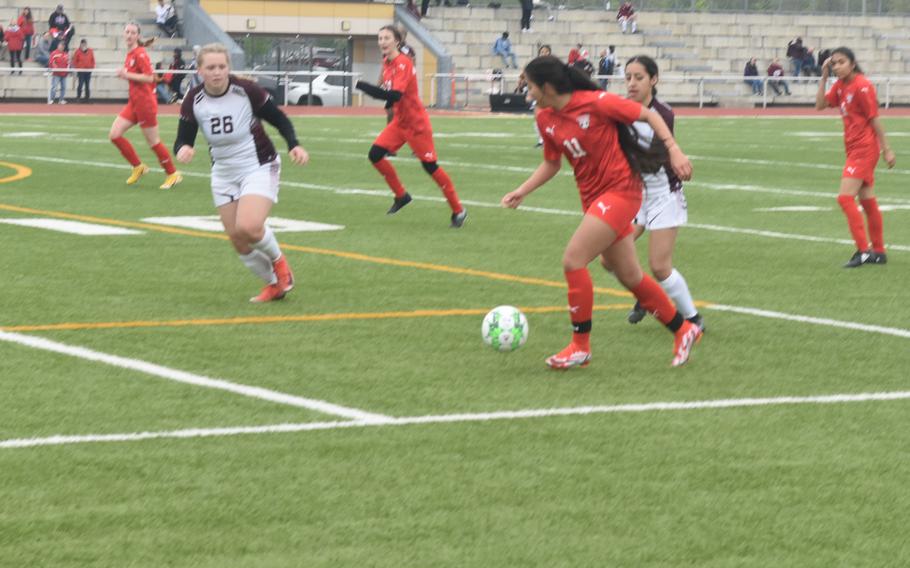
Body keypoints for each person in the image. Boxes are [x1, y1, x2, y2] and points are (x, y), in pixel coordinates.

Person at [500, 56, 702, 369]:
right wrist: (522, 191)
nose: (525, 90)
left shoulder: (596, 103)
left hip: (622, 191)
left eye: (529, 84)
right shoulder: (544, 117)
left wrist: (674, 149)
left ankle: (580, 346)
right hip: (593, 197)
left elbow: (648, 115)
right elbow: (552, 163)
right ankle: (684, 328)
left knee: (573, 260)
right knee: (629, 275)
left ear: (548, 86)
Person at [174, 43, 309, 303]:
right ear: (200, 70)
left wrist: (294, 144)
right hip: (223, 173)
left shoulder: (246, 91)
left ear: (229, 68)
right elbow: (183, 139)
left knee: (248, 226)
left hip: (258, 164)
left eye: (222, 66)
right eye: (210, 67)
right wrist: (184, 149)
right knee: (238, 240)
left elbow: (279, 118)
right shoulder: (194, 99)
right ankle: (273, 285)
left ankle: (281, 266)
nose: (217, 72)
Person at [604, 55, 702, 330]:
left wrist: (676, 157)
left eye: (639, 77)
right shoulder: (620, 110)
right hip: (634, 196)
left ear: (654, 80)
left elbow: (652, 157)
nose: (632, 83)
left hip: (663, 194)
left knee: (659, 266)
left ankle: (693, 319)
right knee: (607, 259)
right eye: (628, 78)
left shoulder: (663, 114)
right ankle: (647, 295)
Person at [356, 25, 467, 228]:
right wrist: (387, 102)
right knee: (375, 154)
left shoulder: (403, 63)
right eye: (380, 38)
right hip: (400, 122)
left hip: (416, 124)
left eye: (386, 38)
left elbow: (396, 94)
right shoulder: (387, 62)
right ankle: (401, 195)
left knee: (430, 167)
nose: (382, 42)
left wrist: (364, 87)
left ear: (397, 41)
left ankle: (458, 210)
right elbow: (393, 96)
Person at [815, 46, 896, 268]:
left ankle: (863, 250)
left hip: (864, 149)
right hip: (853, 148)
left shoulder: (862, 86)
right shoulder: (840, 86)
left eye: (841, 62)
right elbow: (820, 105)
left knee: (844, 198)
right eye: (834, 64)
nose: (837, 67)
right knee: (868, 200)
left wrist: (886, 149)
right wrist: (823, 77)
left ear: (852, 63)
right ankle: (878, 251)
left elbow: (874, 119)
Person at [108, 22, 182, 190]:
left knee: (153, 142)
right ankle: (138, 167)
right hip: (134, 103)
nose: (129, 35)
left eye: (133, 32)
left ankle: (172, 174)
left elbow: (150, 78)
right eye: (127, 32)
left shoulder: (140, 54)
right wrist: (127, 75)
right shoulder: (130, 53)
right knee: (114, 135)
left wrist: (126, 74)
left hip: (145, 103)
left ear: (138, 36)